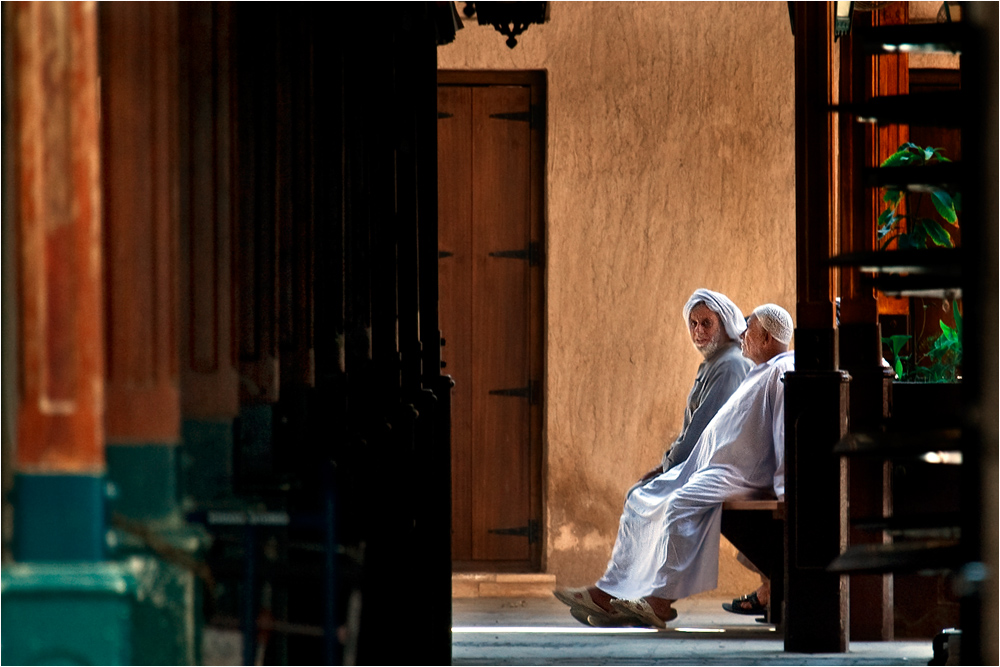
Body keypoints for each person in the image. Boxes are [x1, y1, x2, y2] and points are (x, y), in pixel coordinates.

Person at [554, 304, 794, 627]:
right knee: (647, 497)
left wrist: (783, 489)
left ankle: (659, 602)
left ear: (766, 337)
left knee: (681, 503)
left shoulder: (781, 371)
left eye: (749, 329)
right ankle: (614, 593)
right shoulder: (761, 369)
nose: (743, 335)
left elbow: (782, 431)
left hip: (739, 474)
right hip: (715, 467)